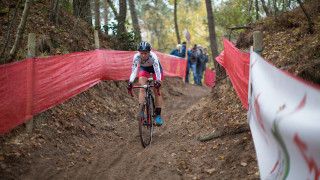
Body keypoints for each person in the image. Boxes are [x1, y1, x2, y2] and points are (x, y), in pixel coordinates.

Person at [126, 41, 163, 126]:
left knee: (157, 89)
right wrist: (130, 82)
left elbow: (157, 71)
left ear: (149, 52)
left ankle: (158, 115)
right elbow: (134, 71)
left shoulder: (153, 57)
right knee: (142, 87)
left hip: (155, 69)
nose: (143, 55)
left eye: (145, 53)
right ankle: (141, 111)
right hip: (144, 68)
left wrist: (158, 80)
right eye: (141, 53)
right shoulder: (136, 57)